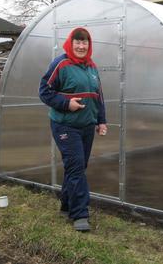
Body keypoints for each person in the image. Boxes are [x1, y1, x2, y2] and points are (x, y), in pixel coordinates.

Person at [39, 27, 107, 232]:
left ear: (89, 45)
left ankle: (66, 205)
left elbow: (98, 96)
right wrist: (67, 104)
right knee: (76, 166)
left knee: (77, 167)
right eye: (77, 42)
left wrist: (101, 121)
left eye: (85, 42)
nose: (81, 46)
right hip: (65, 125)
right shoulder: (61, 64)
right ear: (70, 43)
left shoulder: (92, 67)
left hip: (86, 125)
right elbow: (44, 91)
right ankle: (80, 214)